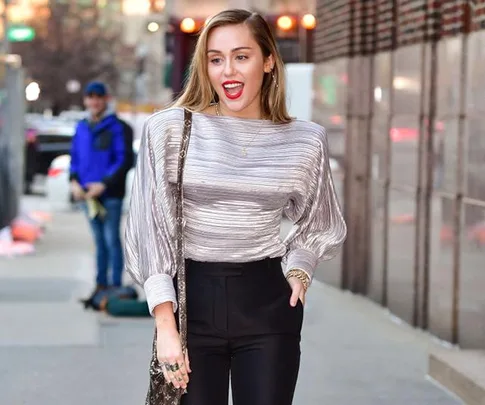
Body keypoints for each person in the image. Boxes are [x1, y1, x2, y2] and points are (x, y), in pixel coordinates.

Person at [124, 9, 347, 405]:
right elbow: (149, 227)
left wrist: (300, 270)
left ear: (268, 61)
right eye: (215, 58)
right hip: (193, 303)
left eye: (241, 56)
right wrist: (165, 325)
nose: (228, 70)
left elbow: (320, 219)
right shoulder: (170, 129)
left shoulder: (304, 140)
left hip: (266, 303)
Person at [69, 81, 134, 304]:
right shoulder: (81, 127)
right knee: (98, 241)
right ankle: (100, 286)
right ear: (86, 100)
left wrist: (104, 184)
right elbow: (75, 158)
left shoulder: (119, 127)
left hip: (110, 194)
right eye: (90, 97)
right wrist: (74, 182)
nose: (94, 101)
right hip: (87, 196)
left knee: (111, 240)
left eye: (99, 97)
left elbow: (124, 159)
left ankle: (115, 286)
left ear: (106, 99)